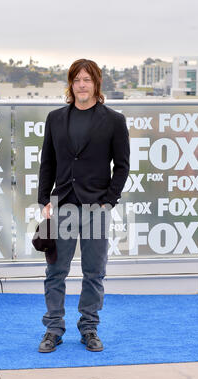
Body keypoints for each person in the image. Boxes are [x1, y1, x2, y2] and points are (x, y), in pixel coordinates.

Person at [37, 58, 130, 353]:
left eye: (87, 79)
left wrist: (108, 201)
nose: (81, 85)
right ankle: (53, 328)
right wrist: (44, 200)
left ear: (96, 84)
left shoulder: (114, 120)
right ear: (70, 84)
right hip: (62, 204)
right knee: (55, 272)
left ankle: (89, 327)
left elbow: (122, 166)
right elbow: (47, 163)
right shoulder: (55, 118)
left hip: (96, 208)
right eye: (77, 79)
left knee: (94, 272)